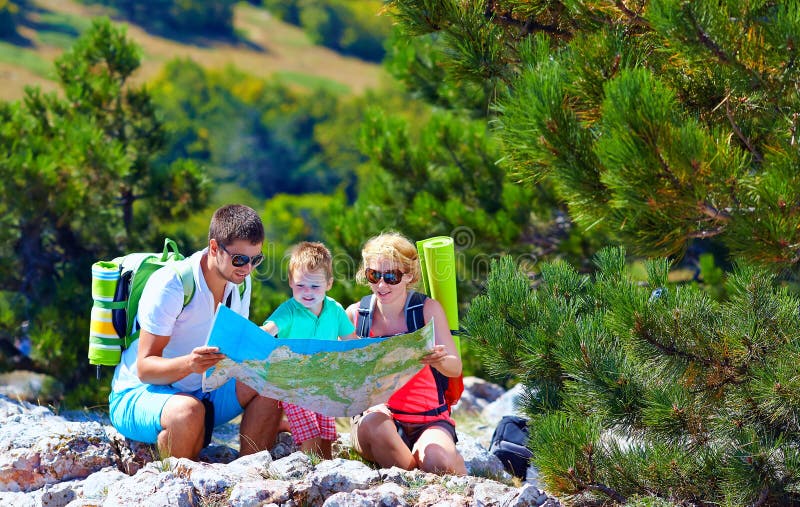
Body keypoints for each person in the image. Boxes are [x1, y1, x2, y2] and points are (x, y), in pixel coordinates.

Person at [108, 204, 283, 460]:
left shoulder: (240, 284)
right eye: (239, 259)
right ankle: (176, 480)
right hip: (139, 393)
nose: (247, 269)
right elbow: (145, 369)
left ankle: (250, 474)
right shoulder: (173, 285)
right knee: (188, 413)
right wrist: (191, 363)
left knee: (273, 380)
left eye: (255, 260)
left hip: (203, 391)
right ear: (214, 248)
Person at [345, 232, 467, 475]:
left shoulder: (426, 310)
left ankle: (418, 469)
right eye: (373, 275)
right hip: (378, 418)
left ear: (408, 276)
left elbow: (455, 367)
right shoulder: (355, 316)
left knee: (438, 461)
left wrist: (439, 360)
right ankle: (414, 477)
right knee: (375, 423)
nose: (381, 285)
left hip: (429, 419)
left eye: (391, 276)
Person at [261, 241, 356, 459]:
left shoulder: (335, 310)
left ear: (329, 284)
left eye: (315, 286)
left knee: (326, 437)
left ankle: (324, 470)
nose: (307, 292)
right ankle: (309, 473)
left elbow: (352, 342)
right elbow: (269, 330)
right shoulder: (289, 311)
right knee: (311, 434)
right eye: (300, 286)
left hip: (324, 382)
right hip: (293, 383)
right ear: (291, 283)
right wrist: (251, 334)